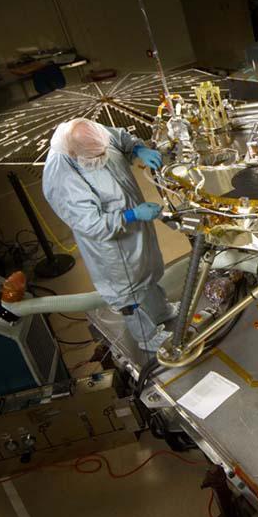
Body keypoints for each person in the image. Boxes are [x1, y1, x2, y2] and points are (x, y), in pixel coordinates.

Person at [43, 118, 176, 351]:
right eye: (98, 155)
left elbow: (121, 138)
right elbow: (93, 225)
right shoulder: (61, 178)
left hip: (137, 224)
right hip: (112, 244)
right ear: (74, 154)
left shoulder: (90, 132)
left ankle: (161, 310)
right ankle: (146, 337)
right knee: (127, 291)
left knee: (149, 268)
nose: (105, 154)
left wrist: (137, 149)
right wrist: (132, 215)